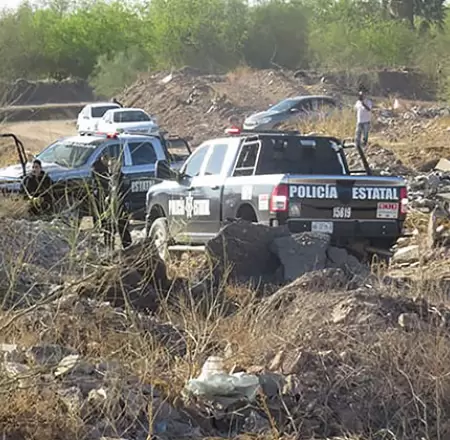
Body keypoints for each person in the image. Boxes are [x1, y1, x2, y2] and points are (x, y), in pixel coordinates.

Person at [103, 157, 132, 250]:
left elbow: (126, 194)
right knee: (108, 231)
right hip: (110, 210)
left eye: (113, 165)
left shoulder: (124, 179)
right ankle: (108, 251)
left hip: (120, 209)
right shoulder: (110, 179)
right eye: (109, 166)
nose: (110, 168)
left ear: (119, 166)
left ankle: (129, 250)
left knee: (123, 232)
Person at [91, 153, 110, 229]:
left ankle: (104, 225)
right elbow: (98, 179)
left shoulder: (106, 166)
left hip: (106, 190)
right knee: (99, 209)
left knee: (105, 209)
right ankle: (98, 225)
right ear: (103, 158)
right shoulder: (96, 166)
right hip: (99, 190)